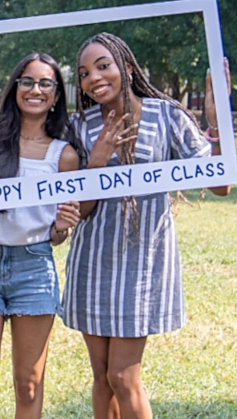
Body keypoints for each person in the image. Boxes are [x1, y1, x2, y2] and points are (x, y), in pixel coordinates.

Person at [60, 32, 231, 419]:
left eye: (103, 65)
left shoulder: (166, 115)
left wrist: (217, 122)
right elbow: (79, 209)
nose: (94, 78)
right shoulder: (79, 125)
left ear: (125, 65)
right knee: (102, 377)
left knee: (124, 375)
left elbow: (219, 184)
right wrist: (96, 163)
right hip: (93, 261)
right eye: (84, 72)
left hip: (144, 263)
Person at [0, 52, 81, 419]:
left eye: (46, 83)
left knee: (28, 386)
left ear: (57, 96)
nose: (35, 90)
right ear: (14, 88)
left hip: (34, 267)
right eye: (27, 81)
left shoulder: (65, 156)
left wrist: (62, 227)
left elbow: (57, 234)